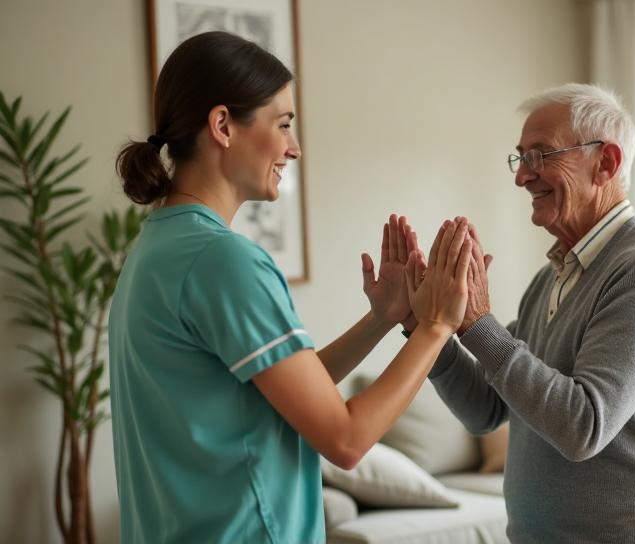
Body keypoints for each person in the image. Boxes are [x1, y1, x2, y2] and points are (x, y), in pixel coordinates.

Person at [110, 31, 472, 544]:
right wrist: (435, 327)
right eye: (283, 125)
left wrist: (383, 319)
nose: (295, 148)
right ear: (222, 126)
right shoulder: (223, 260)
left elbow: (280, 394)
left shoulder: (156, 249)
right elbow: (346, 440)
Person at [408, 84, 635, 543]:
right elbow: (484, 411)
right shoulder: (551, 279)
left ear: (605, 163)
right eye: (521, 157)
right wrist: (425, 325)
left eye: (541, 155)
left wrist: (478, 324)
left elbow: (583, 427)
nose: (522, 176)